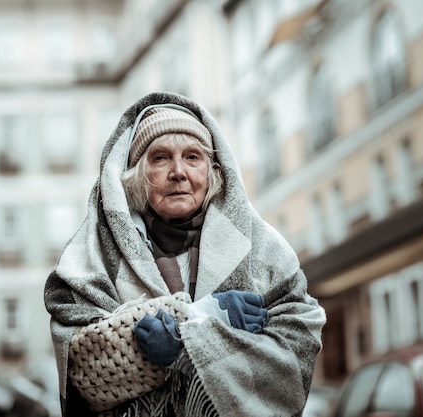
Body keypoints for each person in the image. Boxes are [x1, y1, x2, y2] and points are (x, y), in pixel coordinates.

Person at [44, 92, 326, 417]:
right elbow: (82, 368)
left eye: (192, 157)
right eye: (160, 158)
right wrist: (200, 318)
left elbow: (298, 347)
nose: (178, 171)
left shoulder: (262, 249)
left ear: (212, 172)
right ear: (136, 174)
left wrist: (186, 342)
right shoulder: (91, 257)